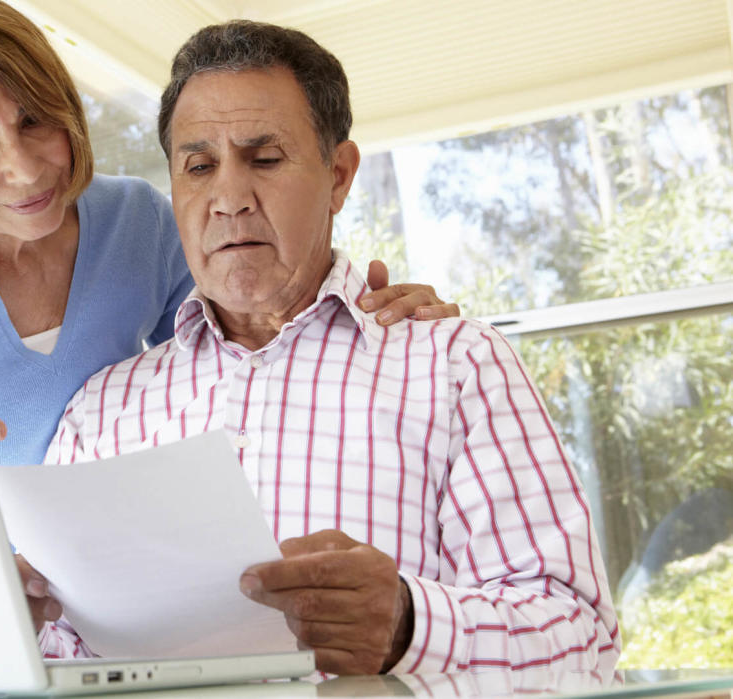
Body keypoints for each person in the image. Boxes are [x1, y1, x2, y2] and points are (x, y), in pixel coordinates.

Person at [33, 20, 620, 676]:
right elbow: (58, 657)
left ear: (338, 176)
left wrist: (408, 624)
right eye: (199, 166)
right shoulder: (102, 411)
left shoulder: (456, 365)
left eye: (264, 158)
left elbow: (583, 637)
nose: (228, 198)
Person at [0, 0, 457, 469]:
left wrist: (374, 321)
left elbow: (251, 329)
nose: (24, 168)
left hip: (106, 574)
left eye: (36, 121)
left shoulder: (138, 221)